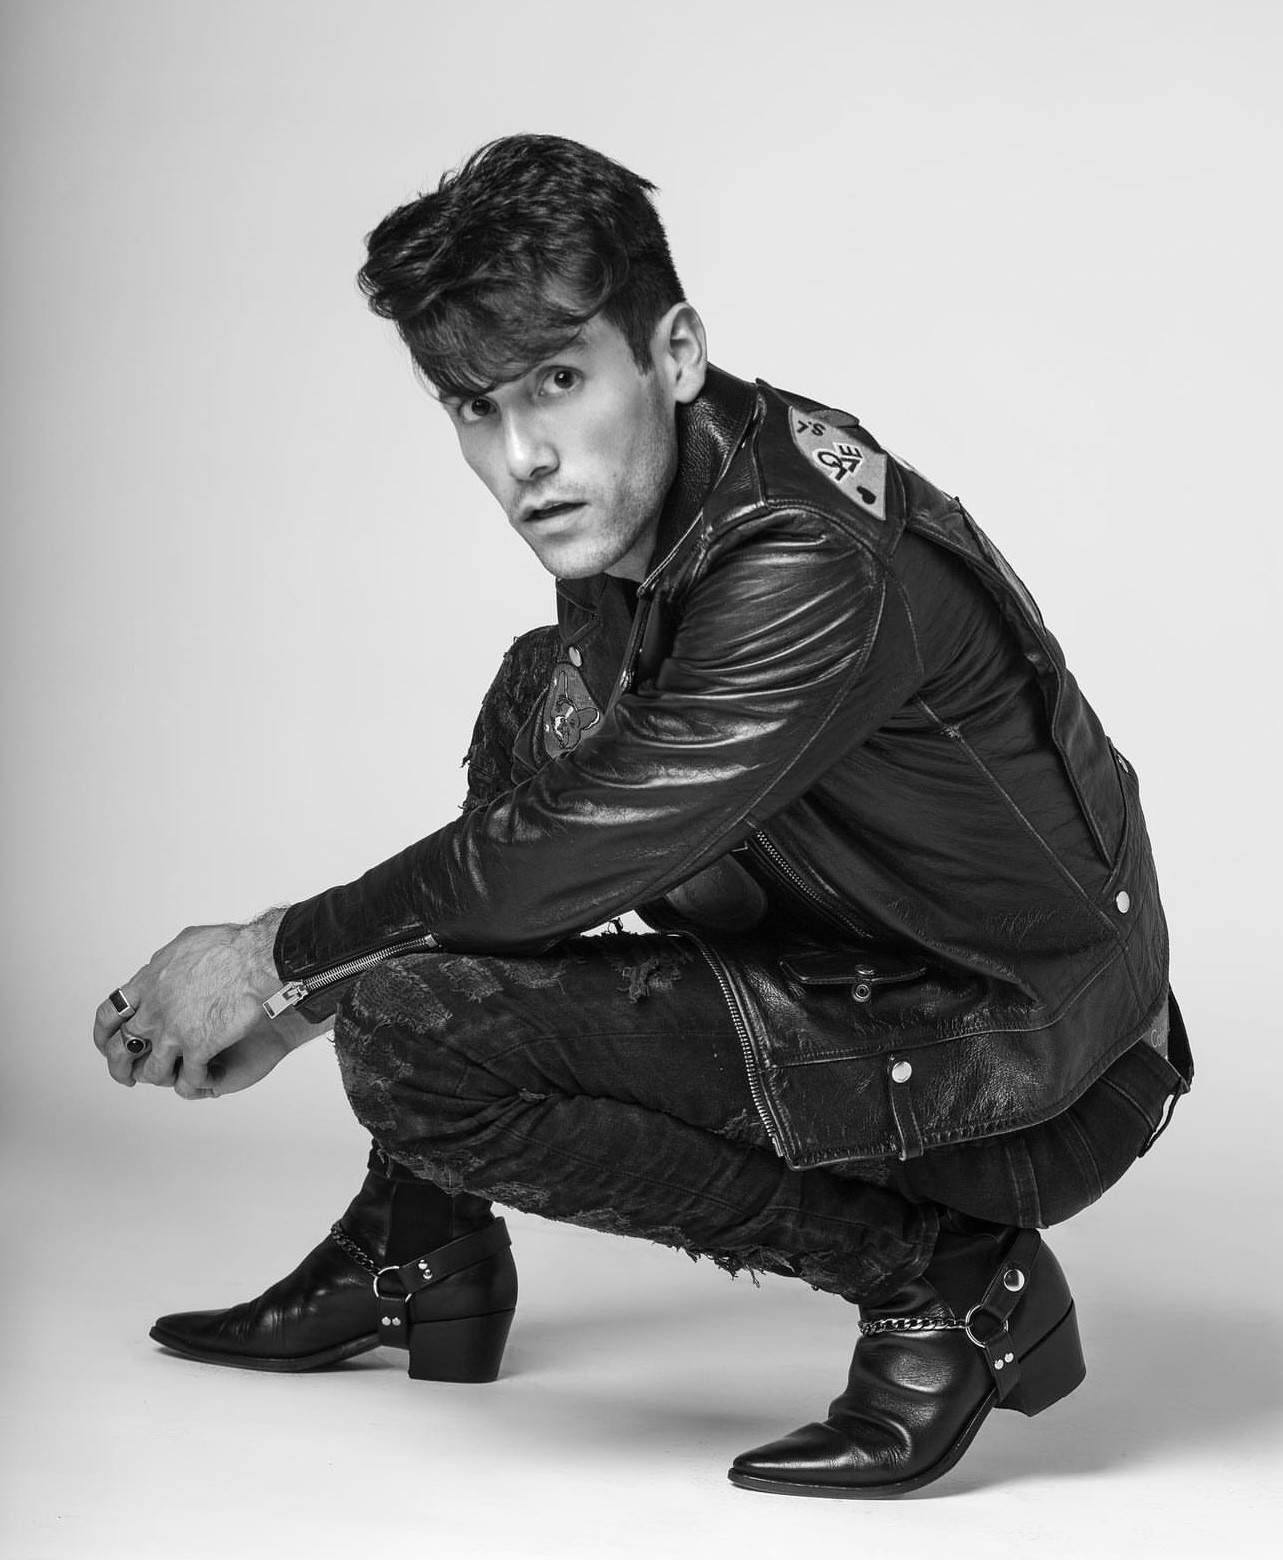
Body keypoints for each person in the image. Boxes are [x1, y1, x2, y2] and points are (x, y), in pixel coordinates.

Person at [92, 134, 1191, 1499]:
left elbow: (564, 852)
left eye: (559, 381)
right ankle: (420, 1238)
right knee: (539, 699)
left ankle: (949, 1283)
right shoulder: (660, 491)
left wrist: (275, 967)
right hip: (876, 950)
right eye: (475, 406)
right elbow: (568, 799)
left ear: (673, 353)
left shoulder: (803, 559)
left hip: (1030, 1061)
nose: (523, 458)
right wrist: (301, 981)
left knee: (414, 1038)